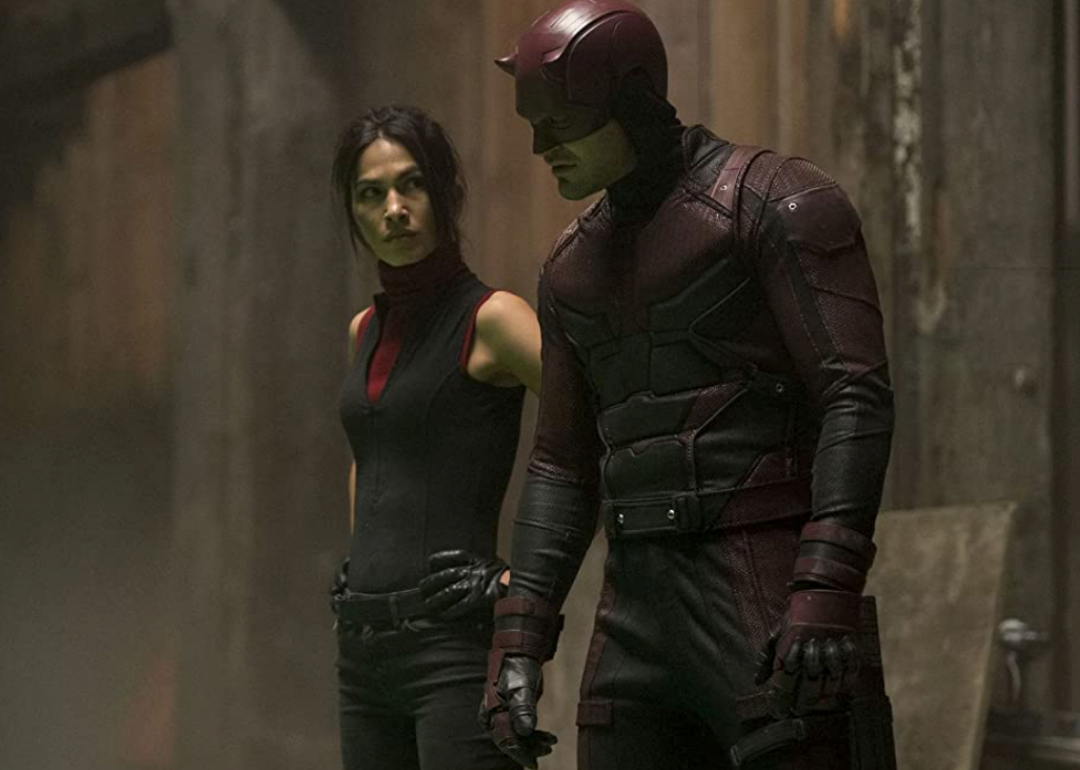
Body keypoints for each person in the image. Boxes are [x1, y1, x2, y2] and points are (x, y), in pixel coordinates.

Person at [479, 2, 897, 769]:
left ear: (630, 101)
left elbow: (855, 394)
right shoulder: (570, 269)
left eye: (562, 124)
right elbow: (561, 465)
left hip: (764, 591)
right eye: (534, 126)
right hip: (635, 611)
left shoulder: (773, 201)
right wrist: (519, 640)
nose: (541, 148)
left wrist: (826, 585)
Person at [330, 105, 541, 770]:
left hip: (453, 649)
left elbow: (598, 426)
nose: (393, 209)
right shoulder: (364, 330)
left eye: (411, 184)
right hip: (363, 652)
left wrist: (524, 578)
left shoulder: (494, 318)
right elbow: (371, 454)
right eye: (371, 194)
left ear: (444, 192)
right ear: (353, 211)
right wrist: (363, 556)